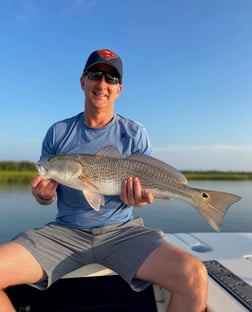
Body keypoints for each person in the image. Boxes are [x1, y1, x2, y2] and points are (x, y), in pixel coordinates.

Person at [0, 49, 208, 312]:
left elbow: (145, 194)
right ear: (82, 81)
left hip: (123, 232)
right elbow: (44, 194)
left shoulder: (134, 133)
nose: (102, 84)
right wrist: (43, 195)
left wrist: (141, 199)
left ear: (119, 89)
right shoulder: (58, 132)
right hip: (64, 232)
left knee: (194, 275)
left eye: (110, 79)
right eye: (95, 75)